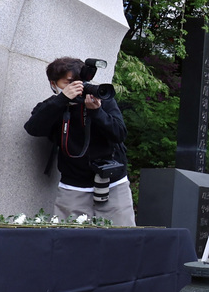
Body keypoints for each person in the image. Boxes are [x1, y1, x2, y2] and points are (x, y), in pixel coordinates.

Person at [24, 56, 135, 225]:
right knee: (70, 238)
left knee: (122, 237)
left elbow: (119, 134)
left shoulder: (101, 100)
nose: (77, 87)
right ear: (53, 84)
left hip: (112, 182)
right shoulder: (54, 106)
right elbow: (33, 128)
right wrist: (62, 100)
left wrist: (97, 113)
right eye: (69, 82)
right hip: (74, 185)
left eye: (80, 82)